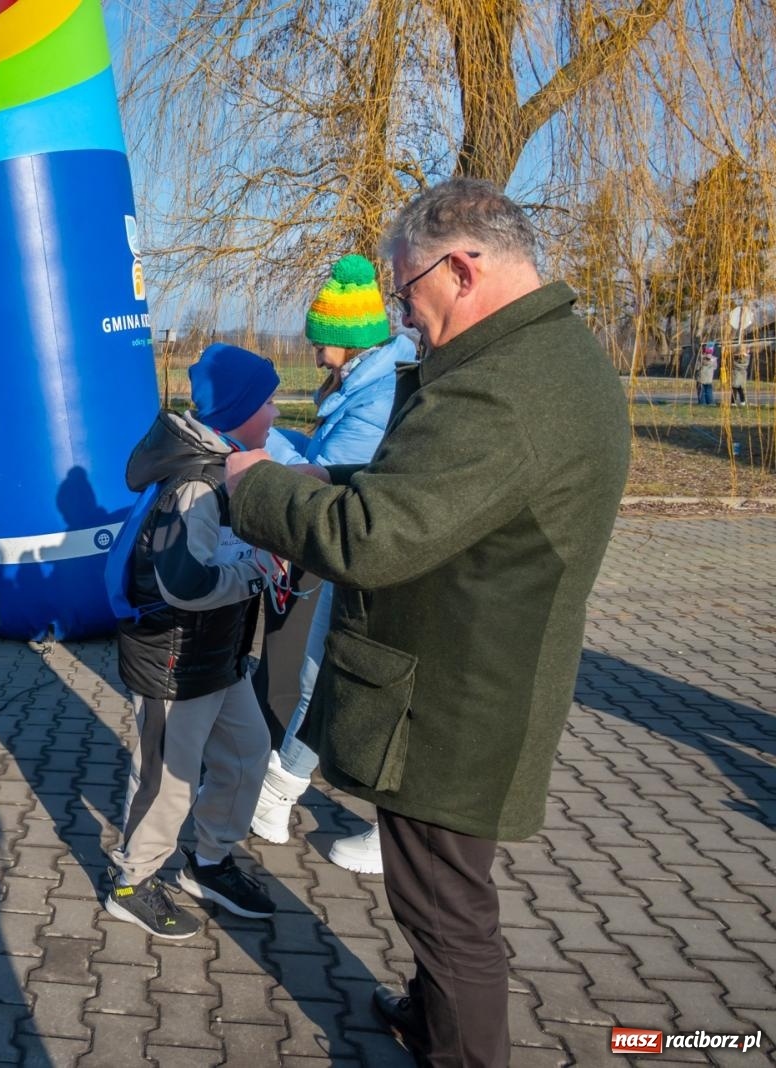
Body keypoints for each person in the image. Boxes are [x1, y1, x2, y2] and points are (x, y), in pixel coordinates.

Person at [222, 179, 629, 1066]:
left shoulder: (500, 390)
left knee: (446, 910)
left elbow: (372, 541)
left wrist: (253, 486)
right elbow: (440, 501)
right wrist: (336, 484)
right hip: (482, 674)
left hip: (458, 701)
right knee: (442, 895)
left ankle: (461, 1050)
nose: (404, 317)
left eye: (408, 291)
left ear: (462, 267)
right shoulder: (548, 356)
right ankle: (430, 1015)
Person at [102, 343, 286, 940]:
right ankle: (132, 881)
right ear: (236, 412)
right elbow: (184, 583)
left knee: (245, 753)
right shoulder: (196, 486)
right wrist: (257, 572)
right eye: (267, 402)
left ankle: (208, 862)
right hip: (174, 660)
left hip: (220, 656)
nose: (277, 412)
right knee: (166, 777)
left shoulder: (228, 464)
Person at [250, 254, 414, 876]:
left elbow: (335, 483)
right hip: (353, 551)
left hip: (365, 554)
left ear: (350, 344)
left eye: (322, 345)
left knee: (330, 678)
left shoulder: (379, 399)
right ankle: (277, 793)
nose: (316, 357)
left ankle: (374, 822)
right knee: (319, 676)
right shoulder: (365, 385)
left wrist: (263, 450)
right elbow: (324, 461)